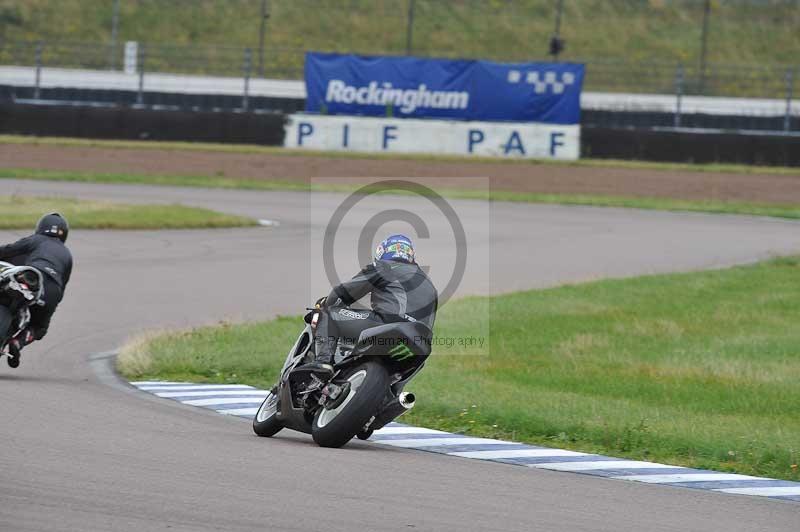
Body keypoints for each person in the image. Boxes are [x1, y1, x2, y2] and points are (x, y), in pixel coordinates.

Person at [301, 234, 438, 377]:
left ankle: (323, 363)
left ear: (382, 252)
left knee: (327, 313)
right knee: (395, 380)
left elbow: (343, 293)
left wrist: (325, 304)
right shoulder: (429, 285)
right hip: (420, 344)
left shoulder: (384, 266)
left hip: (388, 325)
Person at [0, 213, 73, 368]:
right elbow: (63, 286)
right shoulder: (67, 254)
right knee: (39, 327)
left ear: (41, 228)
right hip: (52, 291)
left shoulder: (37, 240)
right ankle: (18, 342)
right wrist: (50, 305)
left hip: (31, 276)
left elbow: (8, 250)